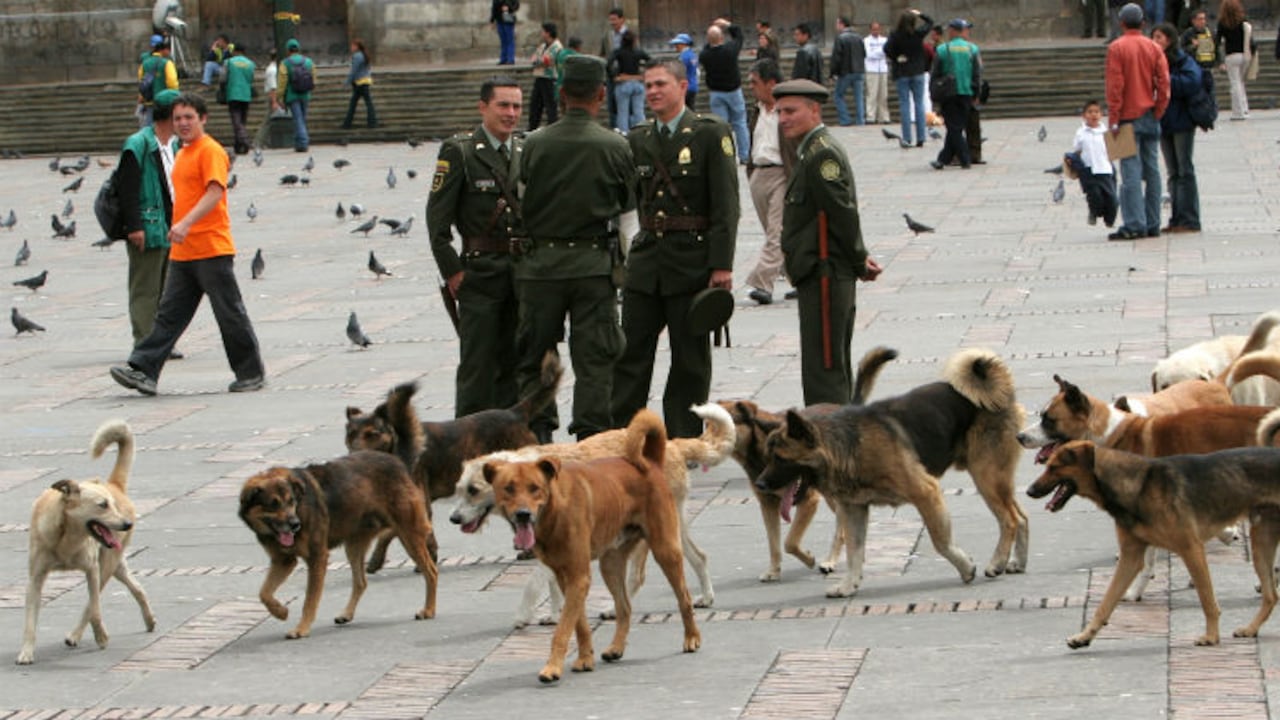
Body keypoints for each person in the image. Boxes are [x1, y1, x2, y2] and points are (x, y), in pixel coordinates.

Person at [611, 60, 739, 438]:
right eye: (648, 85)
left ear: (682, 87)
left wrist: (721, 265)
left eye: (660, 84)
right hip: (647, 262)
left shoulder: (709, 134)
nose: (652, 92)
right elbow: (626, 199)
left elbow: (726, 206)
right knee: (630, 353)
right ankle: (624, 434)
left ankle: (683, 438)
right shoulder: (637, 139)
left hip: (692, 261)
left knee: (690, 359)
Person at [110, 92, 266, 396]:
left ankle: (251, 373)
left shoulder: (209, 151)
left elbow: (214, 192)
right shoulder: (183, 152)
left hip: (211, 248)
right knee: (169, 315)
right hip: (184, 251)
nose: (182, 123)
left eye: (189, 118)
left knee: (229, 312)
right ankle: (144, 370)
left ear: (203, 119)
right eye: (178, 118)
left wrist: (185, 223)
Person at [517, 55, 634, 441]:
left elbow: (520, 197)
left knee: (535, 358)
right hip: (592, 267)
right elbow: (627, 210)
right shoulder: (615, 144)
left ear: (562, 93)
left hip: (540, 268)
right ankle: (592, 438)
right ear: (602, 93)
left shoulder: (533, 143)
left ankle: (538, 437)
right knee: (595, 360)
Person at [773, 79, 882, 406]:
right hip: (818, 269)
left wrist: (858, 258)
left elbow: (842, 213)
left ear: (815, 109)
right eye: (779, 112)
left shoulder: (821, 155)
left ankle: (831, 437)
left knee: (825, 365)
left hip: (826, 270)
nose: (783, 119)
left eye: (791, 111)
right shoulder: (810, 149)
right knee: (826, 359)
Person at [428, 77, 527, 417]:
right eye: (503, 105)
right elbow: (437, 222)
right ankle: (466, 447)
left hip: (520, 271)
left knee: (515, 363)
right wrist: (453, 271)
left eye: (516, 105)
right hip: (479, 271)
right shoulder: (461, 151)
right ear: (483, 107)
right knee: (477, 366)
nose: (511, 113)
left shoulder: (524, 149)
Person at [117, 89, 181, 353]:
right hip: (147, 224)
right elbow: (126, 189)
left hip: (171, 225)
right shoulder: (139, 144)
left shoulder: (175, 145)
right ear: (170, 116)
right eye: (181, 116)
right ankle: (145, 341)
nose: (185, 122)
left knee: (168, 290)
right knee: (146, 288)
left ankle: (164, 341)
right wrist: (134, 226)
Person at [1105, 3, 1170, 241]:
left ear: (1121, 23)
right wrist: (1159, 109)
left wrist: (1113, 118)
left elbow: (1115, 86)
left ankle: (1134, 223)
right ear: (1143, 23)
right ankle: (1152, 222)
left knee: (1130, 170)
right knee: (1151, 169)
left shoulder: (1117, 48)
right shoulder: (1153, 47)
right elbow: (1163, 83)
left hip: (1126, 116)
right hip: (1150, 114)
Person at [744, 59, 797, 305]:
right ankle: (799, 277)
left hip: (782, 174)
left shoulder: (789, 111)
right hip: (759, 173)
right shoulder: (756, 110)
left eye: (755, 82)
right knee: (774, 232)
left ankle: (761, 282)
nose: (751, 87)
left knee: (777, 231)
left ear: (771, 83)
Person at [1152, 22, 1203, 233]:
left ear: (1170, 40)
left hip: (1182, 121)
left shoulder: (1183, 60)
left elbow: (1192, 81)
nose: (1156, 42)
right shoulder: (1153, 61)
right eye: (1154, 37)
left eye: (1160, 37)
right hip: (1164, 122)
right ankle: (1176, 217)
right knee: (1173, 172)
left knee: (1185, 169)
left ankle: (1189, 218)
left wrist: (1165, 80)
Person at [929, 19, 981, 170]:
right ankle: (943, 159)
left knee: (953, 128)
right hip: (966, 92)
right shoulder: (972, 49)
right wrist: (976, 93)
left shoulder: (943, 49)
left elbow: (935, 74)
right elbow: (977, 74)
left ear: (952, 31)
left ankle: (964, 158)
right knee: (955, 127)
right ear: (961, 31)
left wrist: (933, 93)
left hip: (948, 93)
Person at [699, 19, 750, 163]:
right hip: (733, 90)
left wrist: (712, 33)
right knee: (740, 123)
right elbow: (739, 36)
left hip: (716, 92)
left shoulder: (705, 56)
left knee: (721, 127)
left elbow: (706, 48)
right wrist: (727, 24)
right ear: (722, 38)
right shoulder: (730, 51)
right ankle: (745, 155)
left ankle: (725, 156)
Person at [1064, 99, 1118, 228]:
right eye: (1090, 112)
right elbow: (1077, 149)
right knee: (1095, 195)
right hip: (1089, 169)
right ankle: (1094, 212)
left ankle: (1109, 219)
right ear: (1084, 115)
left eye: (1097, 112)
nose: (1093, 115)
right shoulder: (1081, 133)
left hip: (1105, 169)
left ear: (1101, 115)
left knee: (1111, 198)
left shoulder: (1106, 132)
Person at [884, 8, 933, 148]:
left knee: (904, 104)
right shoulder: (918, 34)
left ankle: (906, 137)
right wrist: (920, 14)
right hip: (917, 71)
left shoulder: (895, 35)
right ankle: (921, 137)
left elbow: (886, 49)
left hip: (902, 72)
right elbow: (930, 22)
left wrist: (896, 57)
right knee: (919, 104)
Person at [1215, 0, 1251, 121]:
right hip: (1244, 54)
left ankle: (1238, 112)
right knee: (1241, 82)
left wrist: (1219, 59)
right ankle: (1245, 108)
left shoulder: (1222, 23)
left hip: (1231, 55)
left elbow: (1217, 41)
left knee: (1235, 83)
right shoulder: (1243, 21)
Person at [276, 38, 314, 152]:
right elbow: (313, 77)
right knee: (302, 118)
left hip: (292, 95)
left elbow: (282, 81)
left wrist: (280, 96)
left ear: (288, 50)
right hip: (305, 94)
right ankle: (299, 142)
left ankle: (303, 142)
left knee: (297, 119)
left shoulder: (285, 63)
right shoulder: (308, 61)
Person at [609, 30, 650, 133]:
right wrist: (644, 75)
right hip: (637, 81)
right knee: (639, 111)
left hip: (623, 82)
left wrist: (614, 76)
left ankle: (624, 134)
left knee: (622, 112)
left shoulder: (618, 52)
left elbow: (608, 64)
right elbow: (651, 61)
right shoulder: (638, 52)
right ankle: (641, 132)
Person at [830, 17, 866, 126]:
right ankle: (860, 120)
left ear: (842, 24)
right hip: (859, 70)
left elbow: (836, 57)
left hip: (845, 71)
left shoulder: (840, 38)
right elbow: (864, 54)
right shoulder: (859, 37)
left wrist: (833, 72)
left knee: (838, 95)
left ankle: (845, 119)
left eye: (837, 23)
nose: (836, 26)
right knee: (859, 97)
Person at [137, 34, 179, 127]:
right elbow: (172, 82)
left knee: (150, 129)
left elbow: (141, 80)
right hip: (165, 103)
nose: (169, 52)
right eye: (168, 50)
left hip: (149, 102)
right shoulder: (167, 63)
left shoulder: (144, 63)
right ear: (163, 50)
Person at [222, 43, 256, 155]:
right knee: (243, 119)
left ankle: (244, 140)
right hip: (246, 94)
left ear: (234, 51)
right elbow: (251, 78)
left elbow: (223, 77)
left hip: (233, 93)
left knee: (236, 119)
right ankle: (238, 145)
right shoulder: (250, 63)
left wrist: (223, 88)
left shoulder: (229, 62)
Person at [528, 23, 563, 130]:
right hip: (539, 77)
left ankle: (553, 128)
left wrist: (538, 61)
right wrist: (538, 60)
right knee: (535, 104)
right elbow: (534, 58)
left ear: (548, 33)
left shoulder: (557, 46)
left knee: (550, 106)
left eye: (543, 31)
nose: (541, 34)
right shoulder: (543, 46)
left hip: (550, 78)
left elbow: (547, 61)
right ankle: (532, 127)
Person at [341, 39, 378, 129]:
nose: (351, 48)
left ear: (357, 46)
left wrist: (347, 82)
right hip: (365, 81)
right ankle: (371, 122)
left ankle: (347, 124)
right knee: (364, 103)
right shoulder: (364, 55)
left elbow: (354, 70)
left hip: (360, 82)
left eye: (352, 46)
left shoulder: (357, 56)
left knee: (355, 103)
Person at [601, 8, 628, 128]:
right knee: (612, 104)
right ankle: (614, 127)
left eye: (614, 19)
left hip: (626, 73)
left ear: (622, 19)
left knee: (626, 104)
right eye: (610, 20)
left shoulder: (629, 35)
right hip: (611, 73)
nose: (612, 22)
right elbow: (602, 53)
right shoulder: (607, 35)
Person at [1181, 9, 1217, 98]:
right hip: (1195, 67)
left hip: (1208, 67)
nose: (1203, 21)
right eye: (1200, 19)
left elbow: (1216, 48)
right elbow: (1182, 51)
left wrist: (1220, 62)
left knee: (1210, 92)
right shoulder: (1188, 34)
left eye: (1204, 19)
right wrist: (1193, 46)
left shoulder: (1210, 33)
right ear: (1193, 21)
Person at [863, 22, 891, 123]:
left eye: (877, 29)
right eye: (874, 29)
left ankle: (883, 117)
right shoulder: (866, 41)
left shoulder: (884, 40)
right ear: (870, 30)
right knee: (872, 94)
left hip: (883, 69)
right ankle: (871, 116)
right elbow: (869, 54)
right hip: (871, 69)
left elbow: (887, 52)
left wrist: (879, 53)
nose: (876, 31)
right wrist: (880, 53)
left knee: (883, 95)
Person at [670, 33, 699, 109]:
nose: (676, 46)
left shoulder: (684, 57)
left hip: (685, 87)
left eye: (677, 44)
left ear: (683, 44)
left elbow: (679, 71)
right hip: (693, 85)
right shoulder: (692, 55)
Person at [490, 0, 518, 65]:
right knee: (503, 41)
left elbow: (516, 5)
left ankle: (510, 59)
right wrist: (492, 20)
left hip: (508, 20)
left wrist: (509, 8)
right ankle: (503, 59)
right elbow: (494, 8)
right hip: (499, 20)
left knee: (510, 40)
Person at [263, 47, 282, 116]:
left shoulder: (271, 68)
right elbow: (273, 87)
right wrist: (274, 102)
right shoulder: (273, 70)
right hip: (274, 97)